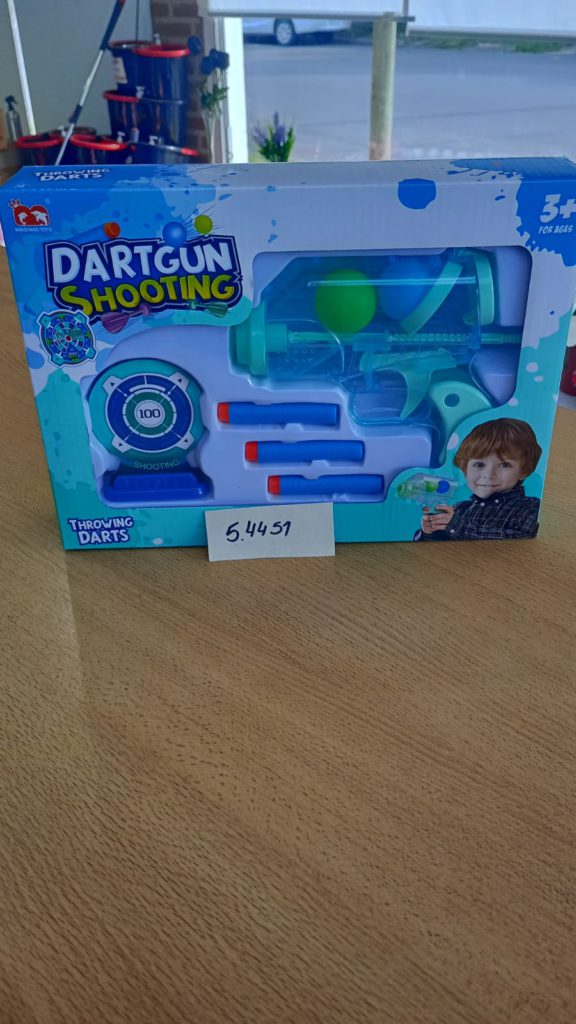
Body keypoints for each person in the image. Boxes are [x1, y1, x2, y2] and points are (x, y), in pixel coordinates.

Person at [417, 418, 542, 541]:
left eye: (504, 465)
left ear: (524, 470)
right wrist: (431, 531)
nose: (488, 474)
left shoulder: (530, 507)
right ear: (465, 469)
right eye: (479, 465)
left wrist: (457, 526)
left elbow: (520, 540)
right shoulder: (460, 509)